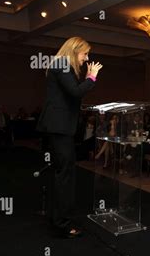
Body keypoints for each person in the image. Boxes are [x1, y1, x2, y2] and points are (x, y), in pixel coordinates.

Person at [37, 37, 103, 238]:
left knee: (63, 173)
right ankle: (62, 223)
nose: (87, 58)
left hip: (61, 126)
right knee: (64, 175)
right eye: (85, 54)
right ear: (75, 51)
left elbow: (70, 97)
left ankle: (57, 217)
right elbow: (75, 92)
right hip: (59, 127)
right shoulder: (61, 65)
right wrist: (91, 77)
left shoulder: (63, 66)